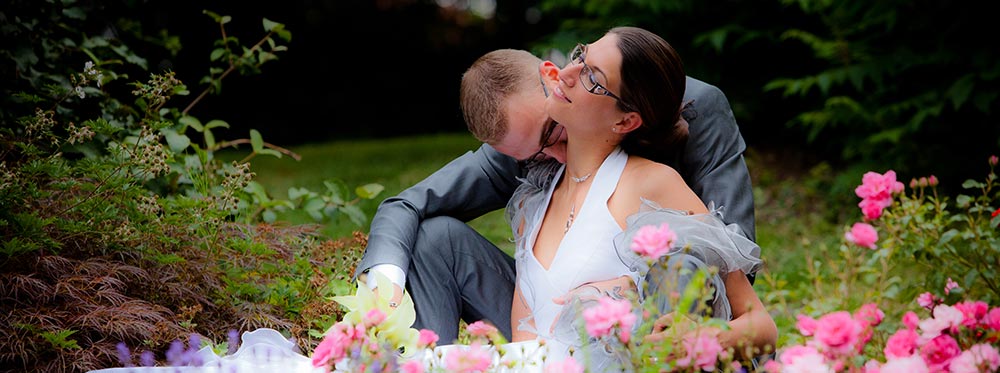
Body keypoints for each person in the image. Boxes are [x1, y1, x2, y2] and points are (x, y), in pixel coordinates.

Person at [353, 44, 756, 344]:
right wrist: (383, 288)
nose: (556, 156)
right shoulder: (525, 142)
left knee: (679, 265)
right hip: (550, 323)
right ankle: (427, 363)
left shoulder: (694, 108)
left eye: (552, 135)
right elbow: (406, 204)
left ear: (554, 80)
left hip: (662, 320)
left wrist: (627, 291)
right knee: (436, 238)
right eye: (536, 154)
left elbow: (732, 250)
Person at [506, 26, 775, 367]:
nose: (569, 73)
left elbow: (761, 326)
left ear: (626, 120)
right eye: (579, 57)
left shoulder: (652, 184)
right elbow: (523, 349)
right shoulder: (533, 203)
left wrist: (695, 339)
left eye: (592, 77)